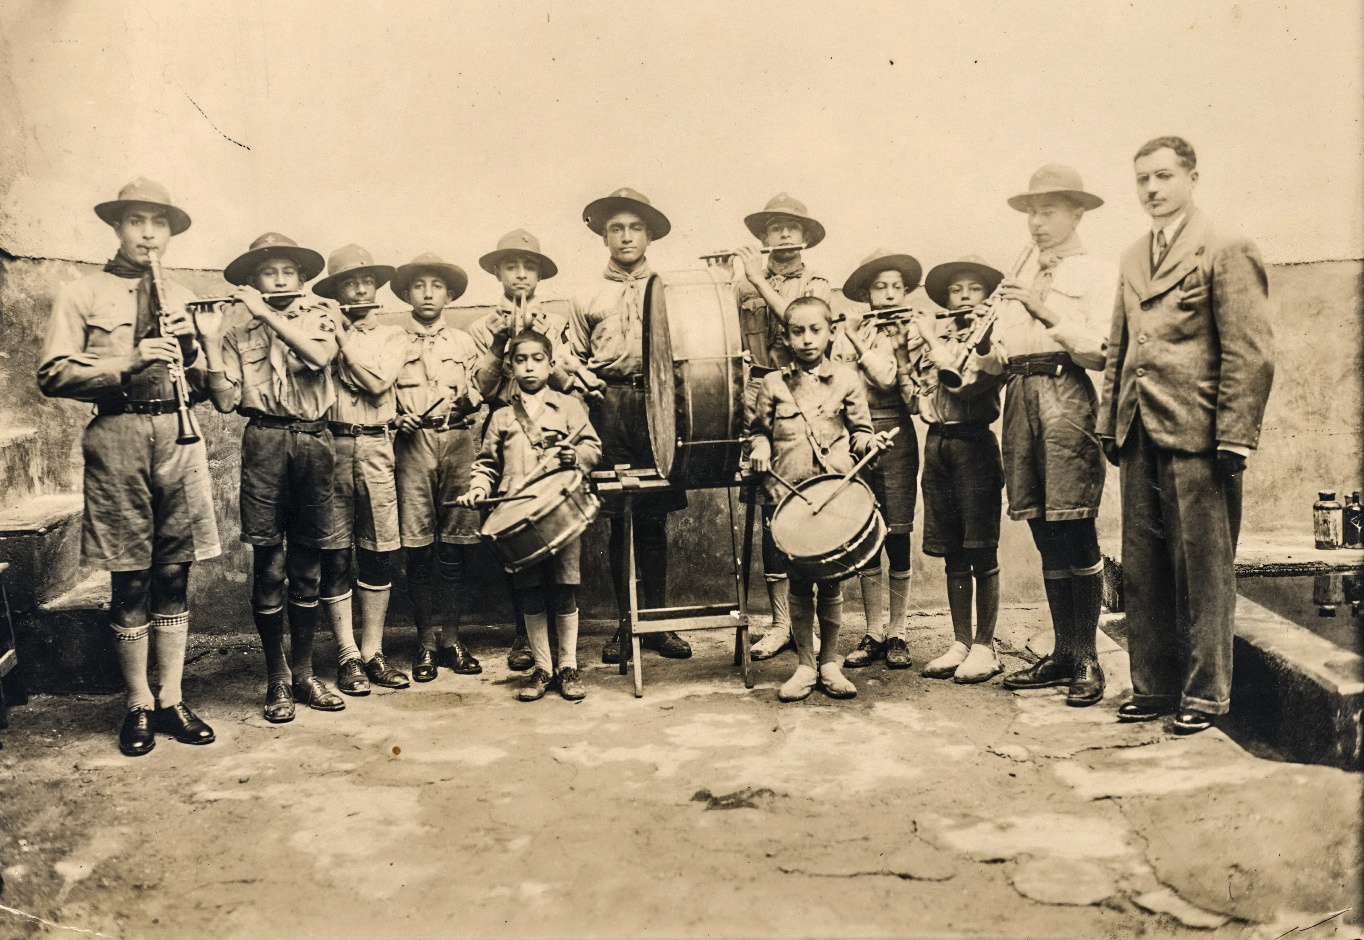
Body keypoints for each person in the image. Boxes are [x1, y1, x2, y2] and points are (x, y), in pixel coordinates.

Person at [38, 178, 221, 755]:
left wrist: (198, 349)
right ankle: (138, 701)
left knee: (174, 571)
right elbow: (53, 374)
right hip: (117, 433)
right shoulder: (82, 291)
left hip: (178, 435)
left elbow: (198, 381)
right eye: (136, 221)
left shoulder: (184, 293)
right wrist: (129, 358)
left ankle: (172, 697)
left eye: (158, 223)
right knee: (131, 573)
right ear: (117, 227)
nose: (148, 233)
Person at [1099, 136, 1274, 734]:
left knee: (1203, 570)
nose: (1152, 189)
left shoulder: (1226, 246)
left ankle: (1205, 695)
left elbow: (1251, 352)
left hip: (1199, 433)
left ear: (1192, 177)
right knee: (1143, 568)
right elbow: (1120, 346)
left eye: (1164, 176)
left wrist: (1236, 436)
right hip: (1137, 429)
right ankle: (1154, 685)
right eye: (1143, 178)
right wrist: (1108, 422)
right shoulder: (1130, 255)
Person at [980, 165, 1115, 708]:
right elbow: (1004, 353)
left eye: (1049, 210)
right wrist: (981, 356)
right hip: (1019, 400)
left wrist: (1042, 307)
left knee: (1074, 526)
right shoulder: (1018, 276)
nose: (1036, 222)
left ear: (1077, 212)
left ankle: (1087, 657)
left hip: (1067, 397)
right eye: (1031, 212)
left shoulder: (1100, 271)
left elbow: (1101, 350)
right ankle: (1063, 652)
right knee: (1040, 526)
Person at [198, 232, 343, 722]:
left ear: (302, 279)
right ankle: (277, 677)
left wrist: (266, 313)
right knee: (270, 566)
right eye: (267, 273)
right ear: (251, 281)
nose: (279, 280)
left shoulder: (324, 315)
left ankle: (304, 674)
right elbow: (223, 401)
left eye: (287, 272)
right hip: (263, 442)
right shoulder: (238, 332)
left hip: (314, 442)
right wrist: (211, 343)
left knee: (307, 566)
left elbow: (318, 359)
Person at [749, 296, 893, 702]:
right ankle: (805, 666)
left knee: (830, 581)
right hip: (790, 497)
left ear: (830, 332)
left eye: (816, 330)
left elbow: (860, 431)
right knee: (798, 582)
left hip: (833, 496)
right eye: (798, 331)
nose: (808, 339)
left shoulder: (848, 379)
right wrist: (759, 444)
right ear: (787, 336)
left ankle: (829, 663)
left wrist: (871, 443)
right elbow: (756, 430)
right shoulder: (774, 383)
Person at [568, 187, 691, 664]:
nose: (625, 237)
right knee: (620, 518)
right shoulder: (586, 293)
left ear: (649, 235)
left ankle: (657, 624)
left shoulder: (669, 289)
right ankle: (626, 626)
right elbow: (576, 359)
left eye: (634, 228)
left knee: (655, 518)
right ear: (603, 236)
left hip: (660, 404)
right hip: (609, 405)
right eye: (616, 228)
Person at [458, 330, 602, 701]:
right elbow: (487, 465)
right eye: (521, 360)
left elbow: (591, 447)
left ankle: (568, 666)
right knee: (530, 592)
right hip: (517, 518)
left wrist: (578, 458)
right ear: (510, 366)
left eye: (538, 359)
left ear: (551, 365)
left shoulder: (569, 406)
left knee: (565, 588)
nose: (529, 366)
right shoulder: (503, 416)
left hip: (560, 514)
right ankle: (543, 668)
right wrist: (478, 489)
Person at [722, 193, 833, 662]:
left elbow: (794, 318)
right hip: (757, 393)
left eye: (793, 226)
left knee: (812, 503)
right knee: (768, 509)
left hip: (809, 396)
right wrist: (728, 282)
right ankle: (781, 622)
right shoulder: (743, 283)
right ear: (762, 237)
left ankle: (817, 628)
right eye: (774, 227)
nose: (784, 234)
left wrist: (752, 279)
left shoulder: (820, 282)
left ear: (806, 237)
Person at [469, 229, 581, 672]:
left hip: (549, 436)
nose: (520, 274)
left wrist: (538, 339)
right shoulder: (481, 327)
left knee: (556, 533)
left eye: (528, 267)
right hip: (505, 432)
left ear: (539, 275)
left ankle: (563, 643)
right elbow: (480, 389)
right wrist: (501, 344)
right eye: (511, 266)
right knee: (511, 536)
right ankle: (524, 633)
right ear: (497, 271)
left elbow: (568, 378)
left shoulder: (557, 324)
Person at [312, 244, 411, 695]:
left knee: (377, 550)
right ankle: (348, 654)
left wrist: (343, 341)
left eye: (366, 281)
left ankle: (373, 652)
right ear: (336, 290)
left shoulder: (393, 335)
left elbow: (377, 382)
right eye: (349, 283)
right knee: (334, 552)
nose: (359, 288)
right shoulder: (317, 331)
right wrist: (325, 332)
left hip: (374, 445)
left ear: (376, 287)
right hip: (330, 442)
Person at [911, 257, 1008, 683]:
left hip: (974, 443)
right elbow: (918, 387)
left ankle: (986, 647)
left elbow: (965, 383)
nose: (965, 295)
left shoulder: (989, 340)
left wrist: (932, 340)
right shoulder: (938, 335)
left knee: (980, 548)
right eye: (956, 289)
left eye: (974, 288)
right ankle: (960, 642)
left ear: (987, 296)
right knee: (951, 550)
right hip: (938, 445)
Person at [390, 253, 485, 682]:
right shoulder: (392, 340)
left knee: (456, 543)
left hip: (459, 441)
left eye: (437, 286)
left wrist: (470, 403)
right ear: (407, 293)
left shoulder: (465, 342)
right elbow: (378, 393)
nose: (428, 293)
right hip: (412, 445)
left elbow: (482, 390)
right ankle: (425, 641)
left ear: (449, 295)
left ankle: (452, 638)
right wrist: (396, 418)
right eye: (419, 285)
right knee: (419, 546)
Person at [838, 251, 922, 670]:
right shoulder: (851, 330)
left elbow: (891, 380)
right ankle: (873, 632)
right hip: (854, 435)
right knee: (865, 531)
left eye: (896, 287)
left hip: (896, 434)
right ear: (867, 294)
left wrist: (858, 343)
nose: (888, 295)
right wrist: (852, 337)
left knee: (897, 531)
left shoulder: (915, 331)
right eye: (879, 287)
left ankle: (899, 632)